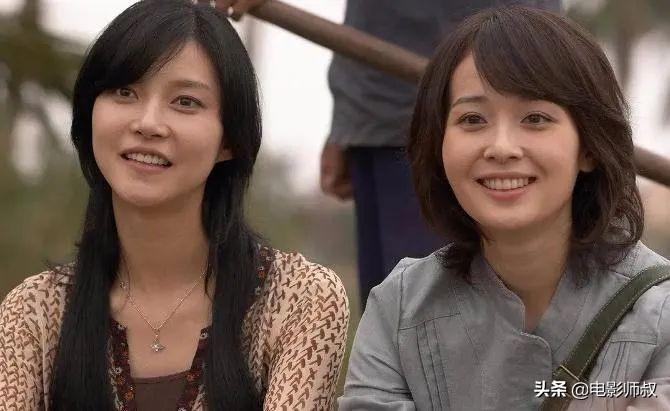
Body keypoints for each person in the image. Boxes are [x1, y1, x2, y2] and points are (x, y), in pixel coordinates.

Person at [0, 1, 349, 410]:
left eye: (185, 101)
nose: (148, 123)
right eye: (125, 92)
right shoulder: (34, 313)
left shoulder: (299, 299)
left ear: (229, 139)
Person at [339, 6, 670, 410]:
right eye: (472, 119)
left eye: (535, 118)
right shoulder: (399, 307)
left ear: (588, 147)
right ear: (439, 144)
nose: (501, 148)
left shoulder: (661, 313)